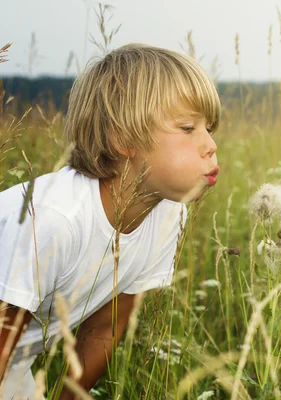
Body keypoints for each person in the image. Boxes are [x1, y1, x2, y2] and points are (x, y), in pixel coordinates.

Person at [0, 43, 220, 399]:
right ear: (123, 139)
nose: (210, 144)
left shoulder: (168, 213)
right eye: (187, 127)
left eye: (209, 128)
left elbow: (107, 327)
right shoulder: (53, 220)